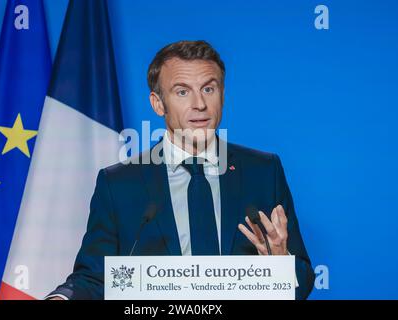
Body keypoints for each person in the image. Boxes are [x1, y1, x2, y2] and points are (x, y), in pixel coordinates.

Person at [47, 40, 315, 300]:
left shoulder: (264, 171)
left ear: (223, 94)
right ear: (158, 103)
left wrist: (282, 266)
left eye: (209, 89)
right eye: (182, 91)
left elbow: (302, 278)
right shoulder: (118, 183)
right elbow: (95, 278)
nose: (199, 104)